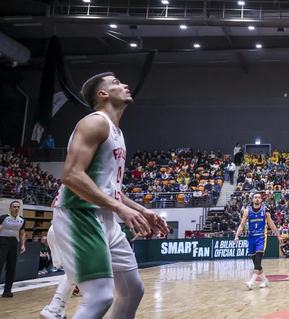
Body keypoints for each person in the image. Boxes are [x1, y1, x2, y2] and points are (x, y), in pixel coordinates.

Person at [50, 72, 168, 319]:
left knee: (132, 291)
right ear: (102, 94)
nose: (125, 84)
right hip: (80, 215)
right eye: (115, 83)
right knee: (100, 298)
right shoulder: (95, 122)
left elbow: (109, 189)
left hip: (106, 218)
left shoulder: (117, 132)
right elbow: (71, 176)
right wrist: (119, 208)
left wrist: (140, 210)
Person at [234, 192, 281, 290]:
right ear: (252, 199)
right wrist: (236, 236)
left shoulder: (265, 210)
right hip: (251, 237)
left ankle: (251, 282)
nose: (257, 199)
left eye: (259, 197)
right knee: (256, 263)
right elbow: (242, 225)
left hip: (261, 237)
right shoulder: (247, 211)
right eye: (255, 197)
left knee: (258, 260)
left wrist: (278, 236)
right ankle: (264, 280)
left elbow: (271, 224)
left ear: (261, 199)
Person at [0, 200, 26, 297]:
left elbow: (22, 233)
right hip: (2, 242)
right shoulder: (3, 218)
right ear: (10, 208)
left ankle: (7, 291)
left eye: (18, 207)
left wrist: (23, 244)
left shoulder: (22, 220)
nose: (16, 208)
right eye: (14, 207)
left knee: (11, 268)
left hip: (13, 243)